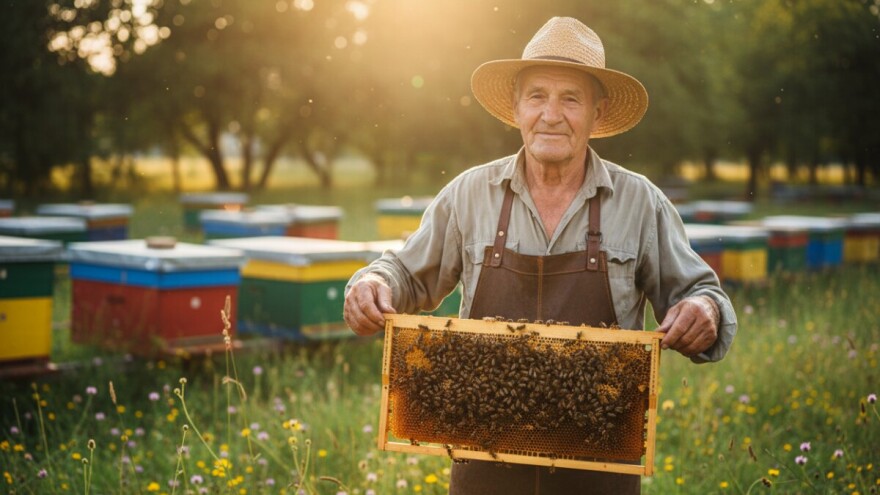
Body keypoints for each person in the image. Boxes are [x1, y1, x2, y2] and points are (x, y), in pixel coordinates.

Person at [344, 16, 737, 495]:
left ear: (597, 111)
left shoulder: (641, 203)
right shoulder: (469, 194)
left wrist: (704, 309)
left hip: (600, 473)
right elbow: (404, 272)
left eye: (570, 98)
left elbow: (700, 291)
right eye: (537, 96)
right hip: (482, 470)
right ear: (516, 107)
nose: (551, 114)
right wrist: (373, 283)